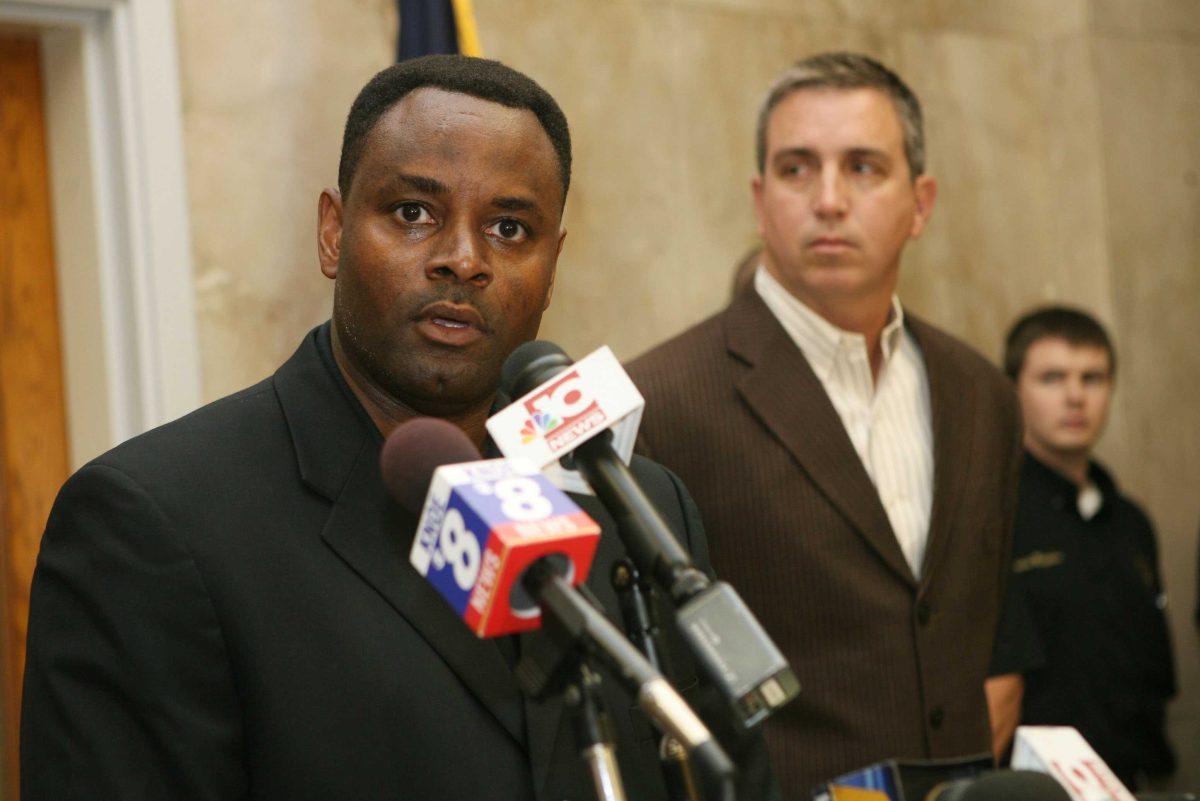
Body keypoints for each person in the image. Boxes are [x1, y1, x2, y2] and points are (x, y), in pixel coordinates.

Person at [20, 55, 744, 801]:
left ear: (552, 265)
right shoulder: (153, 522)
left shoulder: (637, 507)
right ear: (333, 232)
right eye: (413, 213)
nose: (464, 260)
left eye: (508, 226)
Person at [627, 52, 1022, 795]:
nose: (830, 199)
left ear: (922, 202)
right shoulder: (662, 402)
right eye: (797, 168)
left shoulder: (983, 394)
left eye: (865, 167)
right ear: (759, 198)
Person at [996, 306, 1176, 789]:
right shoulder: (994, 517)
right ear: (1014, 389)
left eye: (1092, 378)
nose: (1076, 396)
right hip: (1032, 790)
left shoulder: (1130, 522)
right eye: (1052, 378)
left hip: (1130, 780)